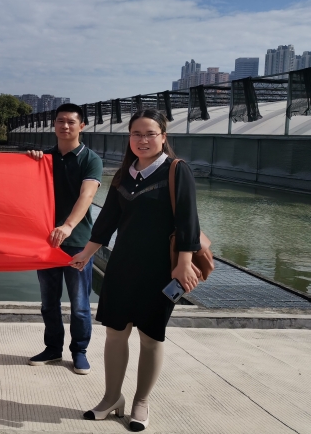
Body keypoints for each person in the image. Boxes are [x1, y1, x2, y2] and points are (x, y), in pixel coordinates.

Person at [71, 109, 201, 432]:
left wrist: (184, 263)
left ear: (163, 137)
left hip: (160, 270)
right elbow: (107, 220)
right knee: (115, 333)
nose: (143, 140)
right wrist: (86, 254)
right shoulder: (124, 174)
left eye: (150, 134)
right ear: (129, 137)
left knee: (151, 337)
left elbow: (188, 220)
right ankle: (111, 397)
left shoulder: (176, 170)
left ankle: (141, 402)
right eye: (136, 134)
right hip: (123, 265)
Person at [27, 103, 102, 374]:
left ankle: (79, 351)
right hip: (46, 241)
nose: (65, 126)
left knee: (80, 304)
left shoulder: (90, 159)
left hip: (78, 242)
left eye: (71, 122)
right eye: (60, 121)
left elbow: (87, 195)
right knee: (49, 302)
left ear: (82, 126)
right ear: (54, 125)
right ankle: (53, 349)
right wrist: (30, 162)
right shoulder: (44, 158)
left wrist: (68, 225)